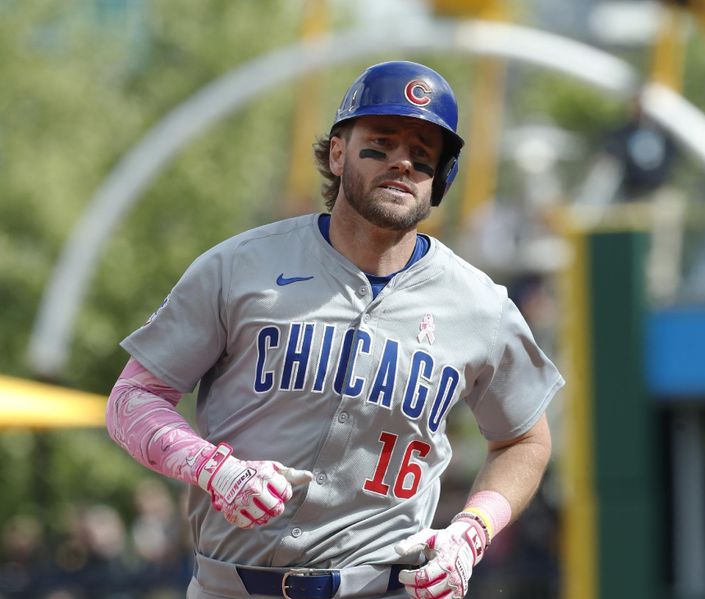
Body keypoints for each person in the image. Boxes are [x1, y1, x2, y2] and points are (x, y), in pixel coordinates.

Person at [106, 60, 564, 599]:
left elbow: (524, 439)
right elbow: (133, 398)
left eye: (422, 155)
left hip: (389, 585)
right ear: (339, 152)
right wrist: (213, 470)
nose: (401, 163)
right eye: (382, 143)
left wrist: (472, 531)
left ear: (440, 178)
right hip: (233, 585)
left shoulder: (479, 305)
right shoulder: (241, 266)